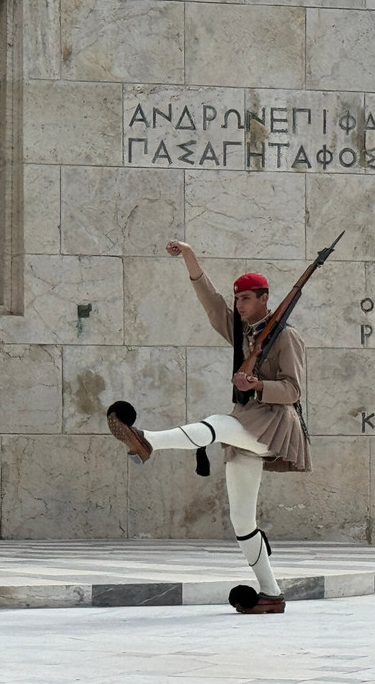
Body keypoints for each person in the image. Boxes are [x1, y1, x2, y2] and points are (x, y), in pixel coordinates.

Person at [106, 239, 310, 615]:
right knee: (241, 520)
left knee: (217, 425)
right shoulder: (241, 333)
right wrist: (189, 257)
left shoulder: (286, 336)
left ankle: (147, 440)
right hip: (247, 422)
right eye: (238, 299)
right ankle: (271, 593)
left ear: (265, 298)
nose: (239, 305)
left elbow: (294, 390)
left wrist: (259, 385)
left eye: (247, 299)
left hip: (273, 423)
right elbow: (211, 301)